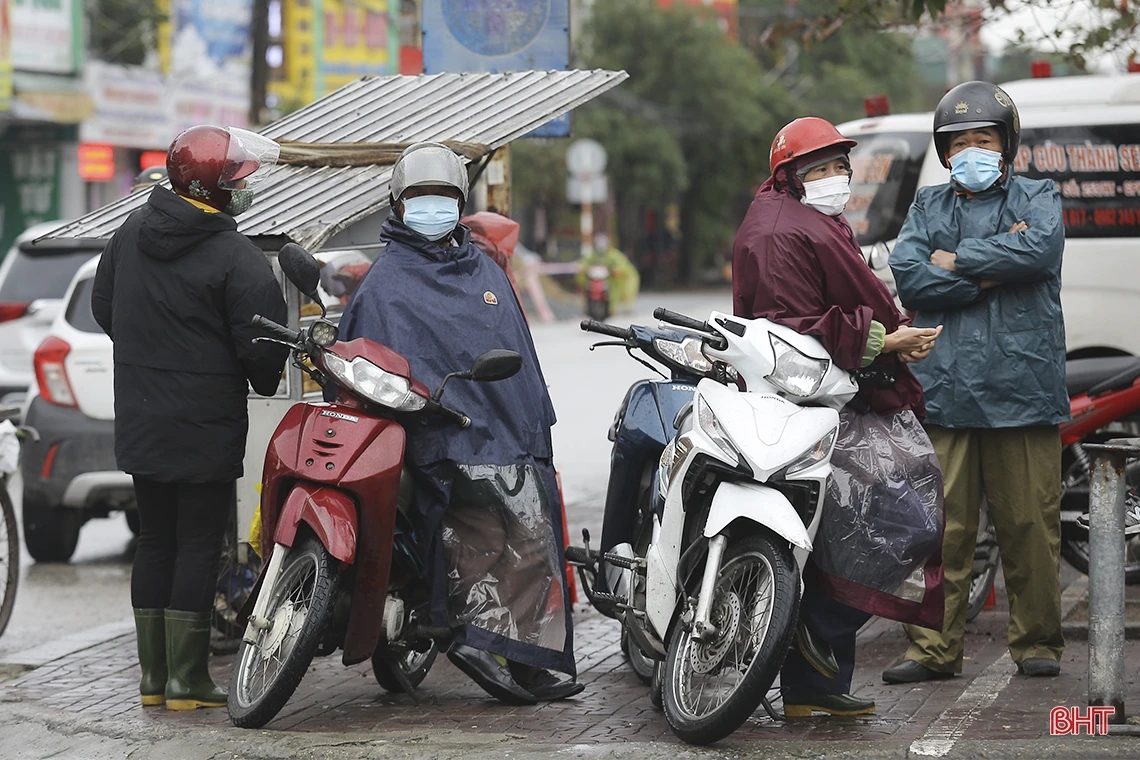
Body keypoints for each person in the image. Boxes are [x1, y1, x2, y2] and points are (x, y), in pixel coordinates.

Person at [338, 142, 581, 704]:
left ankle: (526, 657)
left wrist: (530, 429)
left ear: (459, 201)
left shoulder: (481, 271)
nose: (432, 207)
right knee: (477, 521)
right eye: (420, 197)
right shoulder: (386, 281)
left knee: (531, 518)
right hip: (431, 434)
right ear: (398, 205)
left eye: (443, 196)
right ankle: (470, 635)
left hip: (500, 432)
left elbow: (516, 354)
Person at [733, 116, 947, 717]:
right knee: (901, 520)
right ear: (790, 176)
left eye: (838, 167)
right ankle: (810, 644)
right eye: (820, 168)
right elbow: (790, 327)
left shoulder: (809, 219)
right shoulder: (781, 229)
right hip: (817, 405)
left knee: (846, 534)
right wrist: (885, 340)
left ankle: (816, 688)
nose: (834, 178)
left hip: (844, 395)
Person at [91, 125, 290, 710]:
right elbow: (262, 347)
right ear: (211, 187)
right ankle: (188, 680)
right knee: (200, 545)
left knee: (155, 540)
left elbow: (106, 307)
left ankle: (153, 680)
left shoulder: (129, 233)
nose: (240, 189)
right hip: (204, 422)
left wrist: (150, 354)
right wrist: (254, 373)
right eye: (234, 180)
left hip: (142, 415)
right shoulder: (234, 254)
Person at [883, 81, 1067, 683]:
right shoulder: (927, 207)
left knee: (1030, 526)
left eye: (982, 139)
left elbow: (1038, 253)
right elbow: (910, 277)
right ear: (943, 151)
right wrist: (991, 269)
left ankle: (1038, 643)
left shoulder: (1039, 195)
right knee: (940, 532)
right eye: (958, 142)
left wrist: (956, 259)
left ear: (1007, 144)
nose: (970, 150)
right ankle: (932, 649)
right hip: (946, 392)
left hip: (1024, 391)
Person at [576, 233, 640, 313]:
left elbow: (621, 265)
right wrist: (582, 268)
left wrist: (617, 270)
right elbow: (584, 262)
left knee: (619, 288)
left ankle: (622, 307)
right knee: (583, 278)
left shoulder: (614, 254)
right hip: (606, 276)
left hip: (626, 276)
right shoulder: (594, 254)